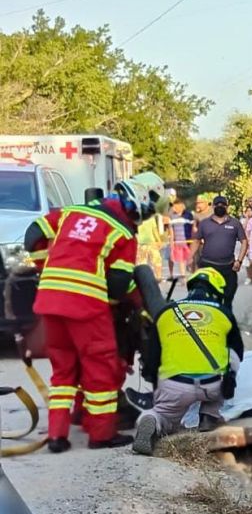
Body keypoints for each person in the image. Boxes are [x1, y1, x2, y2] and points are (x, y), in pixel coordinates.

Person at [24, 172, 167, 452]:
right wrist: (137, 302)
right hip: (86, 306)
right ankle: (101, 434)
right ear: (140, 201)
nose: (146, 219)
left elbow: (33, 235)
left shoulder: (71, 212)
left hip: (50, 301)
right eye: (148, 213)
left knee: (63, 372)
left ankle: (57, 437)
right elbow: (116, 285)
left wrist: (48, 268)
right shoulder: (123, 233)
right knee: (100, 368)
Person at [132, 267, 244, 455]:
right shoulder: (224, 313)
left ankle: (154, 420)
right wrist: (230, 377)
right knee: (227, 359)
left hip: (175, 386)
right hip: (213, 386)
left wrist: (156, 386)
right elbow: (237, 352)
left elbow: (153, 358)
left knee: (164, 416)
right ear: (217, 290)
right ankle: (209, 415)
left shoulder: (165, 313)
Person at [192, 195, 248, 308]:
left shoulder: (235, 223)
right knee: (208, 300)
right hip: (207, 267)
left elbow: (244, 242)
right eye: (217, 204)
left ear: (227, 207)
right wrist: (189, 258)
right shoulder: (204, 223)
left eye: (223, 205)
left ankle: (228, 322)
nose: (220, 206)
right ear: (212, 206)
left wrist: (239, 261)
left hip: (228, 267)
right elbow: (196, 241)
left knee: (228, 299)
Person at [169, 199, 194, 281]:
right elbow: (171, 230)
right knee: (181, 260)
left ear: (182, 206)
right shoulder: (172, 216)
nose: (174, 208)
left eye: (176, 206)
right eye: (174, 206)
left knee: (190, 260)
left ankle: (192, 274)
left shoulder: (189, 215)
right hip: (178, 243)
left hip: (188, 242)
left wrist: (194, 240)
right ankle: (184, 278)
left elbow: (193, 228)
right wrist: (172, 242)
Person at [136, 214, 163, 281]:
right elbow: (155, 230)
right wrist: (158, 240)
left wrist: (158, 240)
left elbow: (154, 230)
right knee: (156, 261)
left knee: (143, 262)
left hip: (147, 243)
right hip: (146, 243)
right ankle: (158, 276)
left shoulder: (136, 218)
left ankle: (157, 277)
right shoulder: (150, 218)